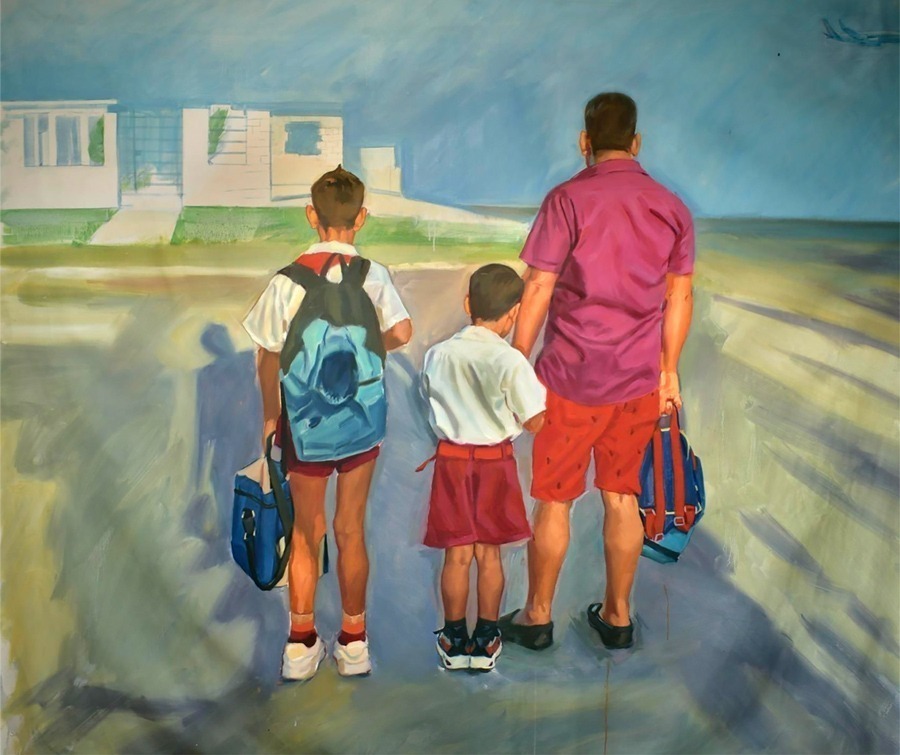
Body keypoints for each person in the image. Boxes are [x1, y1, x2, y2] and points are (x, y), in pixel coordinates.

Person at [500, 92, 695, 651]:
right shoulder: (671, 207)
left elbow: (539, 285)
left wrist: (516, 360)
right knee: (621, 497)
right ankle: (617, 615)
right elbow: (679, 297)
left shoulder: (566, 199)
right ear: (636, 142)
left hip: (568, 380)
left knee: (555, 501)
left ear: (584, 142)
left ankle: (538, 616)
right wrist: (669, 371)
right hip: (636, 383)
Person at [243, 166, 412, 680]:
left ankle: (300, 645)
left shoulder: (287, 279)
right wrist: (367, 351)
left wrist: (271, 415)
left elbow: (268, 354)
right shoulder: (373, 275)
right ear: (361, 218)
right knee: (350, 529)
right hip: (361, 418)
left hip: (304, 423)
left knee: (306, 531)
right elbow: (402, 331)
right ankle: (354, 643)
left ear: (310, 216)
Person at [420, 264, 546, 671]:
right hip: (495, 464)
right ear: (513, 313)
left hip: (452, 462)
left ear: (467, 304)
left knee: (456, 555)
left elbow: (429, 403)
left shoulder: (437, 354)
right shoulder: (510, 360)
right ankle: (487, 638)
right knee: (489, 555)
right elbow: (534, 420)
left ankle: (454, 638)